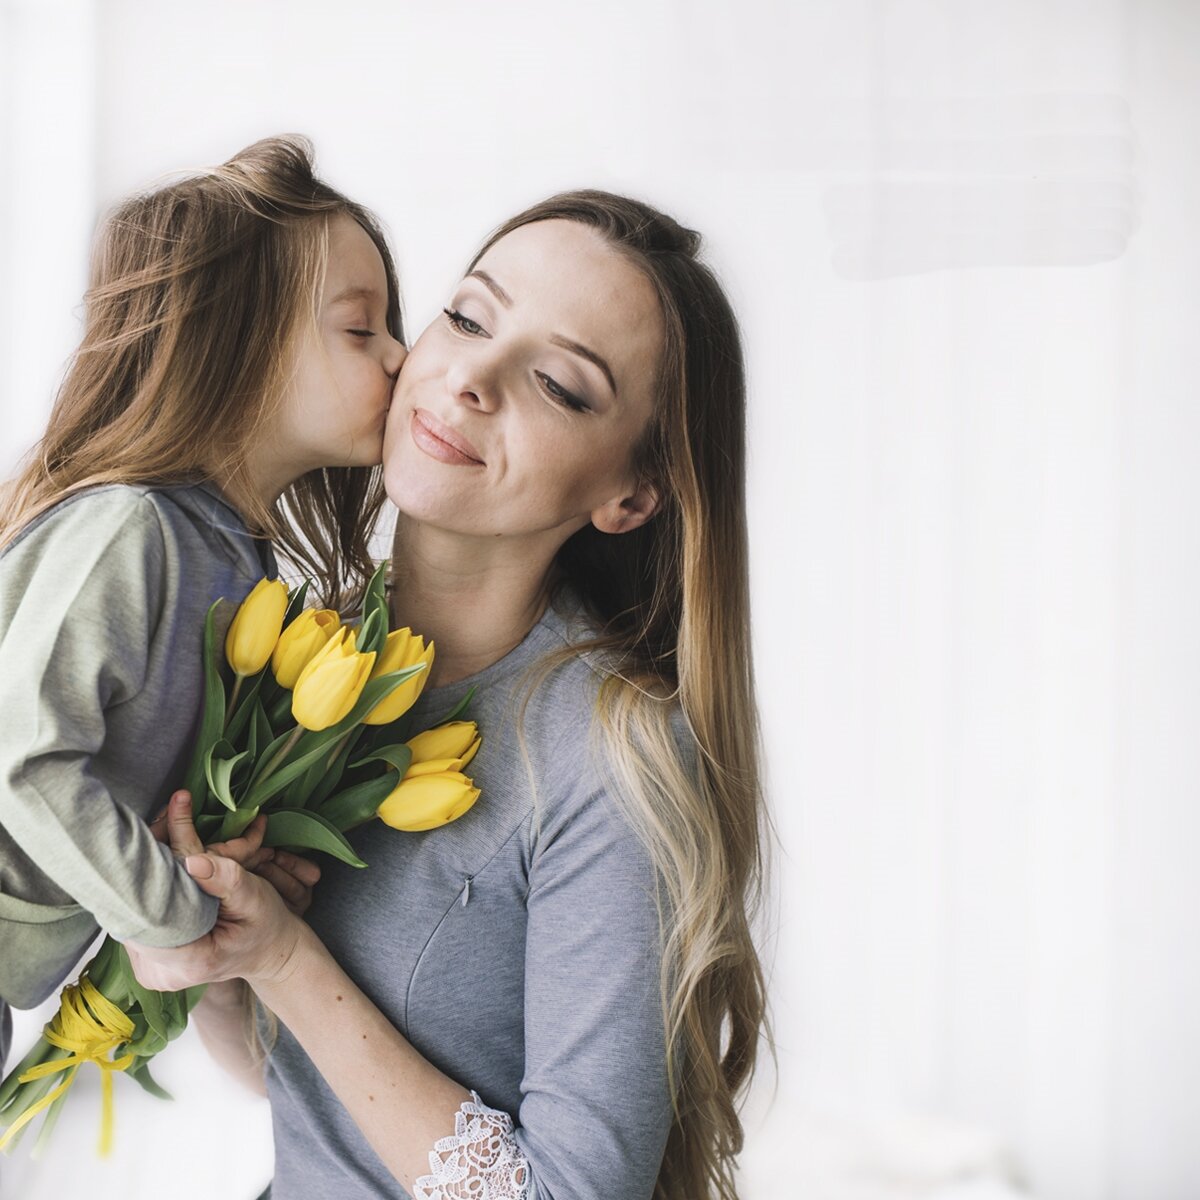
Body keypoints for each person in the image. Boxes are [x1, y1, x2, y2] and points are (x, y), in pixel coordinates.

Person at [129, 190, 770, 1200]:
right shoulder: (304, 654)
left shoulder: (611, 760)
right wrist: (219, 941)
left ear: (629, 497)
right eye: (468, 317)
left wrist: (290, 958)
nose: (469, 376)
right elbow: (289, 1083)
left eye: (559, 384)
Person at [0, 135, 406, 1072]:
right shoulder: (128, 531)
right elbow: (26, 760)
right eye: (361, 329)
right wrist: (182, 913)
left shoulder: (226, 554)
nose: (400, 354)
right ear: (239, 344)